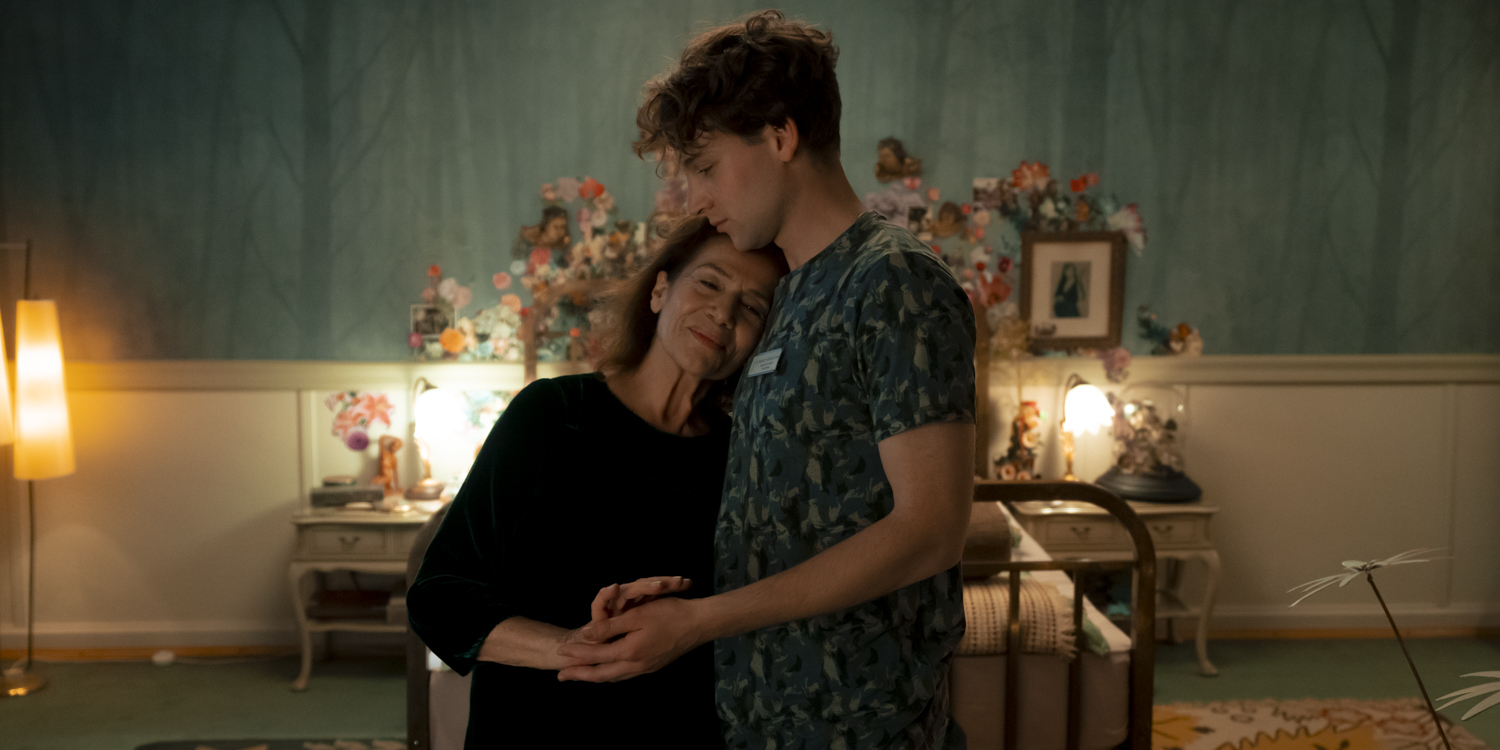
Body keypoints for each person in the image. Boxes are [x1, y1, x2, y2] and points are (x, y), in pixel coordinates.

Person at [558, 11, 977, 749]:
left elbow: (931, 530)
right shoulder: (786, 294)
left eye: (706, 167)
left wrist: (702, 621)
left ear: (781, 137)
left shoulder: (893, 282)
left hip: (859, 723)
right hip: (759, 713)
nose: (694, 198)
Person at [406, 216, 788, 748]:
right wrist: (573, 646)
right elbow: (439, 598)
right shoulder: (552, 415)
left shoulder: (747, 457)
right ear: (660, 290)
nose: (723, 314)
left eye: (751, 308)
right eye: (708, 283)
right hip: (534, 729)